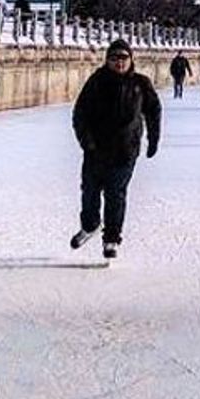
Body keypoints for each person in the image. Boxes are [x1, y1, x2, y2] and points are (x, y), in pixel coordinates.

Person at [70, 39, 161, 261]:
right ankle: (90, 225)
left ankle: (111, 238)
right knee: (90, 191)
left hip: (125, 150)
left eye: (123, 58)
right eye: (114, 58)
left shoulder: (140, 84)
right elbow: (80, 113)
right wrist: (86, 141)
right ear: (107, 60)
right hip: (96, 150)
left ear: (131, 60)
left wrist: (153, 139)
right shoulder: (97, 82)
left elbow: (153, 110)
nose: (119, 63)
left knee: (115, 195)